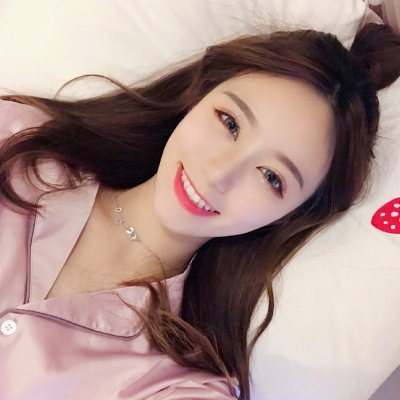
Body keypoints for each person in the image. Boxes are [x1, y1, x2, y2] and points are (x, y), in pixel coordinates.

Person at [0, 23, 399, 400]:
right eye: (230, 123)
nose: (218, 174)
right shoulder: (17, 141)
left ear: (289, 216)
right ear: (200, 94)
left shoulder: (177, 378)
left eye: (271, 177)